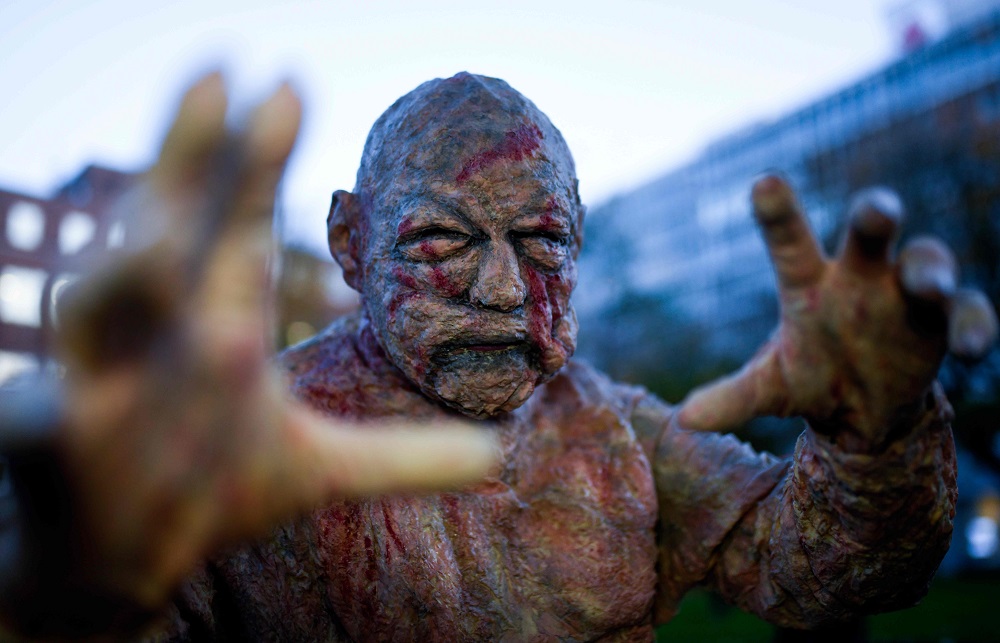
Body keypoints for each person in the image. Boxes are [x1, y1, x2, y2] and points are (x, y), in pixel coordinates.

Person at [1, 71, 996, 641]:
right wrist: (90, 571)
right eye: (440, 241)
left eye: (543, 243)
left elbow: (819, 568)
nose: (506, 291)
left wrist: (874, 433)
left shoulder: (617, 429)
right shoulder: (242, 439)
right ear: (351, 244)